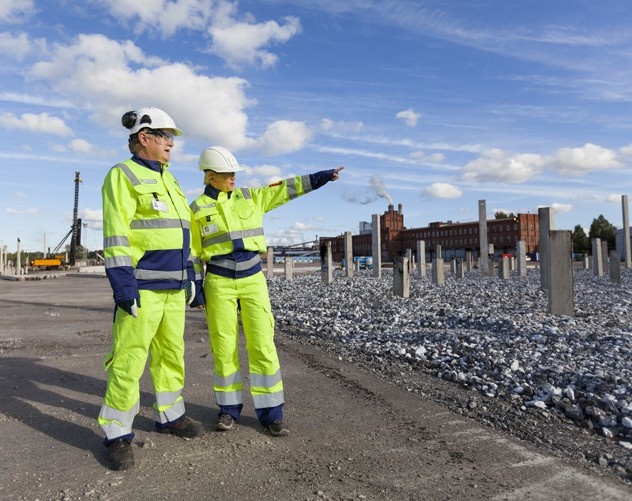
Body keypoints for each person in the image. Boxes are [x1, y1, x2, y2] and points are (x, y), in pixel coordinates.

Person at [189, 146, 343, 437]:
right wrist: (195, 287)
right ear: (210, 177)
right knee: (223, 347)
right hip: (219, 281)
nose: (232, 177)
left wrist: (321, 177)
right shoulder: (196, 209)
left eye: (234, 172)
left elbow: (288, 188)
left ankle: (272, 414)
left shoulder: (252, 196)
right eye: (226, 174)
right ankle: (227, 410)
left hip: (252, 278)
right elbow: (194, 253)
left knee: (263, 344)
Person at [99, 107, 205, 471]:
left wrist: (193, 277)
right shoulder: (122, 175)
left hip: (174, 288)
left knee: (171, 355)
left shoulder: (170, 179)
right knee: (129, 360)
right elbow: (116, 234)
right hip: (142, 289)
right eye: (164, 135)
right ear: (144, 137)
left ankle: (171, 416)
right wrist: (123, 285)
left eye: (171, 136)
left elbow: (184, 234)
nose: (171, 143)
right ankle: (116, 435)